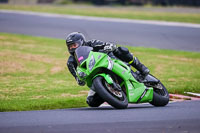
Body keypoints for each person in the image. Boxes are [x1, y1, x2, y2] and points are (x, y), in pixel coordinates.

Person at [66, 32, 150, 107]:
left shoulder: (92, 43)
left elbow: (105, 44)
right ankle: (109, 94)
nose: (72, 48)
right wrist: (79, 79)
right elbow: (76, 75)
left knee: (121, 50)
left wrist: (108, 46)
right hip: (93, 75)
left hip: (109, 60)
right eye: (70, 46)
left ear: (81, 42)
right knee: (91, 101)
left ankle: (141, 68)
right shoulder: (71, 62)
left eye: (74, 45)